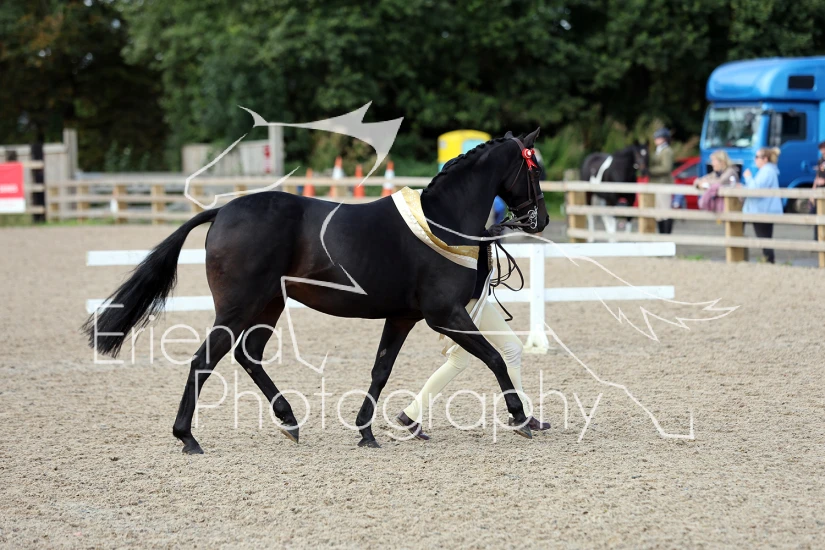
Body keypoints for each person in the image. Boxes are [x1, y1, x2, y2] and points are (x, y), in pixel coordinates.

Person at [396, 229, 550, 440]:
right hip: (465, 304)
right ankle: (411, 413)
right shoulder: (460, 226)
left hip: (479, 301)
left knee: (512, 347)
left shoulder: (476, 225)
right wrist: (485, 237)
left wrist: (489, 234)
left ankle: (521, 412)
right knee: (458, 361)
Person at [742, 147, 783, 264]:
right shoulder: (766, 171)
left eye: (757, 157)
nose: (755, 160)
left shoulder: (767, 171)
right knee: (765, 237)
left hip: (763, 210)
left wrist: (748, 177)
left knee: (764, 238)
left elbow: (755, 189)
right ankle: (768, 260)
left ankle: (769, 260)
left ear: (765, 159)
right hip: (763, 209)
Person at [649, 128, 675, 233]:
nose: (656, 139)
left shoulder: (667, 151)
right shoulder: (658, 151)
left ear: (664, 139)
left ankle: (666, 234)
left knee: (665, 210)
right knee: (658, 212)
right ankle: (661, 234)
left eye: (658, 137)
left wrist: (650, 171)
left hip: (663, 183)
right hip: (655, 183)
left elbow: (666, 168)